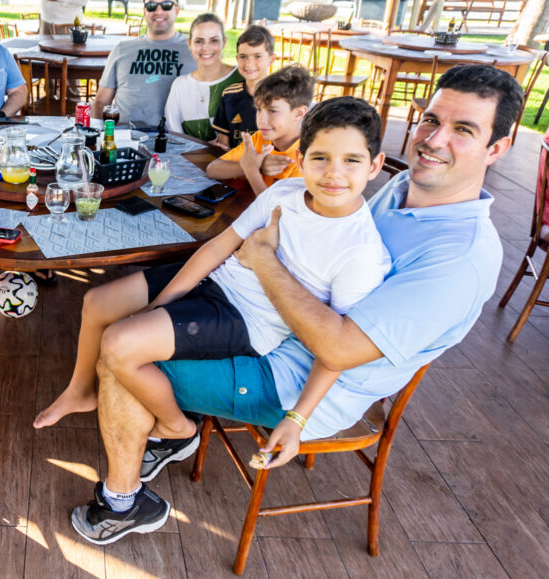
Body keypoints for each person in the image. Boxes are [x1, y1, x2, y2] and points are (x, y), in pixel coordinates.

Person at [68, 63, 521, 545]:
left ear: (498, 148)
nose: (434, 140)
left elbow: (340, 349)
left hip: (300, 384)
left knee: (119, 358)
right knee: (126, 319)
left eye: (464, 130)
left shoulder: (460, 258)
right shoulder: (400, 188)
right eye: (431, 120)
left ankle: (126, 499)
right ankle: (170, 426)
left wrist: (262, 260)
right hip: (276, 328)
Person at [34, 97, 389, 433]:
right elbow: (220, 246)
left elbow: (335, 349)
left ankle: (176, 425)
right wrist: (164, 301)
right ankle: (80, 391)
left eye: (351, 161)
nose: (333, 173)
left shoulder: (362, 251)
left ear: (375, 165)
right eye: (321, 158)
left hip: (247, 320)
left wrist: (298, 419)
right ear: (301, 156)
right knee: (96, 302)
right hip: (217, 280)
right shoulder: (286, 193)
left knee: (117, 344)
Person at [92, 0, 198, 126]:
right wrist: (100, 137)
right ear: (144, 11)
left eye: (166, 5)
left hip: (176, 139)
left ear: (177, 10)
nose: (158, 11)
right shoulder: (122, 49)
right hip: (126, 137)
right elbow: (101, 101)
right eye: (151, 5)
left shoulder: (195, 50)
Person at [205, 64, 313, 195]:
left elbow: (274, 211)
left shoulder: (308, 156)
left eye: (272, 111)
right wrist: (256, 166)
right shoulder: (259, 138)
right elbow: (212, 170)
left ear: (299, 113)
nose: (261, 120)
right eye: (259, 109)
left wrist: (252, 170)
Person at [163, 13, 242, 142]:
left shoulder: (241, 77)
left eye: (214, 40)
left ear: (224, 42)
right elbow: (174, 138)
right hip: (190, 161)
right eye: (199, 41)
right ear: (189, 44)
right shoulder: (180, 85)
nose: (206, 48)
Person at [212, 25, 277, 149]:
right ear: (237, 58)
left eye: (257, 56)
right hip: (234, 164)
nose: (249, 63)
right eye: (243, 56)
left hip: (270, 164)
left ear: (271, 59)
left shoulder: (283, 96)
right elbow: (223, 144)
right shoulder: (229, 95)